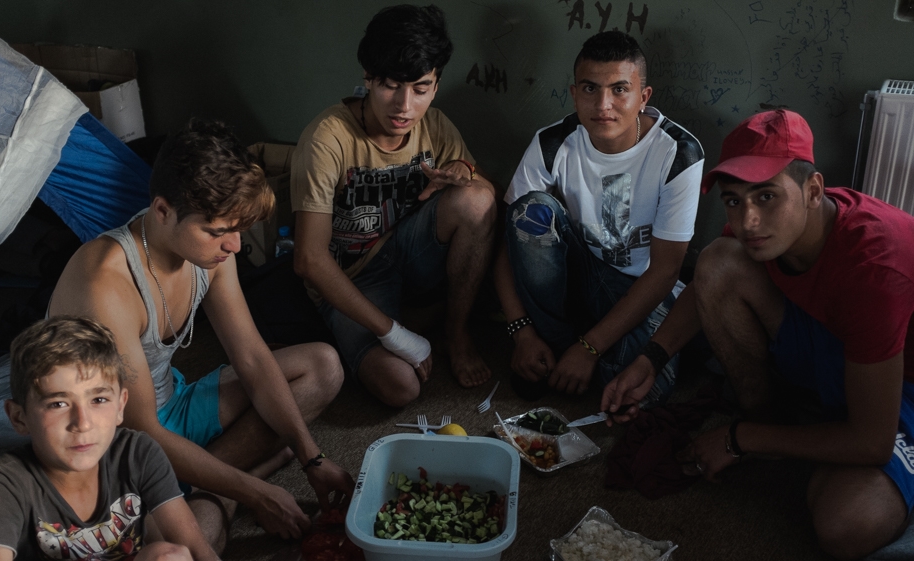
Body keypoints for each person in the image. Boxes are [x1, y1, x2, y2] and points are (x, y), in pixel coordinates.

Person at [601, 109, 914, 559]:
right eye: (734, 200)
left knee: (847, 523)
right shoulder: (768, 230)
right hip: (840, 347)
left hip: (902, 383)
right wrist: (651, 358)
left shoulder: (874, 268)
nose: (748, 220)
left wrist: (738, 438)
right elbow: (708, 282)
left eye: (766, 196)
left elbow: (872, 441)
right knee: (718, 260)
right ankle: (781, 424)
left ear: (813, 191)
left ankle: (779, 435)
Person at [49, 120, 355, 550]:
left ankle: (214, 484)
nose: (234, 246)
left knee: (323, 366)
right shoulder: (105, 285)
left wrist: (312, 458)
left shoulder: (212, 249)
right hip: (113, 449)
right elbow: (140, 433)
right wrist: (255, 493)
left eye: (237, 230)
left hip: (170, 406)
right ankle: (236, 481)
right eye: (217, 232)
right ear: (162, 211)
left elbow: (251, 357)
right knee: (194, 545)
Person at [291, 4, 497, 407]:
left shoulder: (435, 124)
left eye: (420, 89)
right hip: (353, 276)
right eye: (390, 86)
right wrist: (394, 335)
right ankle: (400, 321)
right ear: (368, 78)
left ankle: (455, 332)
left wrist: (463, 171)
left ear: (435, 86)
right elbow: (308, 260)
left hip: (408, 250)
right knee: (401, 387)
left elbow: (488, 197)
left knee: (477, 199)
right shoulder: (326, 138)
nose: (404, 106)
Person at [495, 30, 703, 403]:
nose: (603, 104)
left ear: (644, 96)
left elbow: (665, 271)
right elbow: (510, 246)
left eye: (620, 89)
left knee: (646, 391)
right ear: (575, 94)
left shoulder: (678, 152)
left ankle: (567, 359)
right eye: (590, 89)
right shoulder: (553, 143)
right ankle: (553, 348)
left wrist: (589, 348)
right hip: (575, 280)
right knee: (530, 211)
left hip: (639, 290)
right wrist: (522, 333)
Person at [0, 316, 217, 561]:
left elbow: (195, 548)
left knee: (169, 555)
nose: (82, 423)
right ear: (18, 417)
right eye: (58, 403)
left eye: (99, 400)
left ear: (120, 406)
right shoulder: (3, 483)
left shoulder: (137, 451)